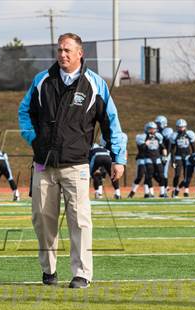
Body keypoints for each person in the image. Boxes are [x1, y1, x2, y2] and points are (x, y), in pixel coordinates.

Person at [18, 33, 127, 288]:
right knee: (43, 220)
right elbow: (25, 111)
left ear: (80, 54)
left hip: (76, 164)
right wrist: (34, 139)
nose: (62, 55)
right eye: (59, 50)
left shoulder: (95, 84)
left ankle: (82, 273)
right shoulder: (42, 80)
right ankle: (49, 270)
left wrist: (117, 158)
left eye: (67, 50)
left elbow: (111, 122)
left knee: (79, 220)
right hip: (43, 164)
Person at [170, 119, 195, 197]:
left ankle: (186, 190)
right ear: (177, 127)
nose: (181, 128)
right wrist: (172, 160)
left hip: (188, 157)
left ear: (185, 126)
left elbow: (193, 148)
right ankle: (174, 190)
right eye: (179, 127)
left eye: (183, 127)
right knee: (177, 174)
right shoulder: (174, 135)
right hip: (178, 156)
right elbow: (172, 149)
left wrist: (194, 157)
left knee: (187, 175)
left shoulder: (190, 134)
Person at [142, 122, 167, 198]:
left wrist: (165, 156)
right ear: (147, 129)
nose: (152, 130)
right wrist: (146, 143)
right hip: (148, 158)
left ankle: (162, 192)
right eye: (150, 129)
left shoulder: (158, 137)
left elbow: (163, 147)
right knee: (149, 176)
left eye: (153, 129)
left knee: (162, 176)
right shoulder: (143, 137)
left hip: (157, 158)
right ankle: (151, 193)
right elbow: (141, 149)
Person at [155, 115, 173, 191]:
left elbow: (169, 144)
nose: (157, 125)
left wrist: (166, 155)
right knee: (154, 171)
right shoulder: (157, 131)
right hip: (157, 154)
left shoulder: (167, 131)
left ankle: (164, 189)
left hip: (165, 154)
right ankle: (165, 186)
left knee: (163, 172)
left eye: (158, 123)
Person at [128, 131, 147, 198]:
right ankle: (132, 191)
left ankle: (147, 193)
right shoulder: (141, 138)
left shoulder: (155, 138)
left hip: (151, 158)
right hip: (141, 159)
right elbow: (142, 148)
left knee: (148, 176)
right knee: (140, 176)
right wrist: (146, 143)